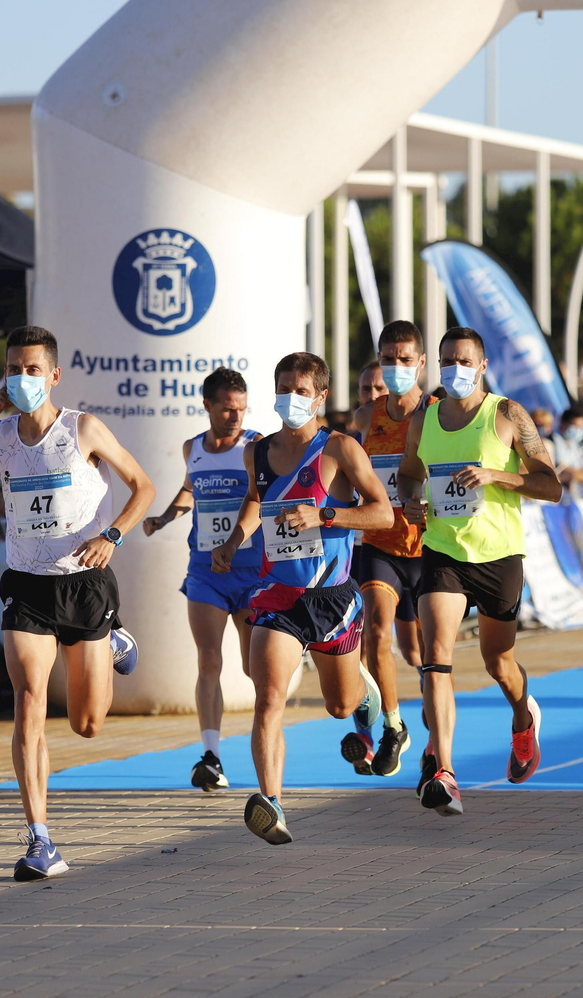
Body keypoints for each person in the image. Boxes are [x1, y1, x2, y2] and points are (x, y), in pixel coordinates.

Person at [0, 325, 156, 881]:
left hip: (85, 583)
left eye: (32, 370)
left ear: (53, 375)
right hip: (26, 584)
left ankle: (114, 636)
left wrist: (113, 536)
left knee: (87, 724)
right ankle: (40, 838)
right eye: (13, 369)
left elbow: (143, 487)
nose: (21, 379)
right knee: (29, 700)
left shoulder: (84, 429)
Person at [210, 352, 394, 844]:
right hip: (277, 597)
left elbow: (383, 515)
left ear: (321, 397)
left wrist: (326, 518)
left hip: (332, 599)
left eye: (300, 389)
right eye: (283, 387)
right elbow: (257, 499)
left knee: (338, 706)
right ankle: (271, 802)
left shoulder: (339, 448)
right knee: (268, 698)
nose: (290, 397)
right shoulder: (259, 451)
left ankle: (363, 691)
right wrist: (232, 541)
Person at [396, 326, 563, 817]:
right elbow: (409, 471)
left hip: (499, 556)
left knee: (498, 663)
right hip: (444, 552)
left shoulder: (507, 415)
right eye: (447, 361)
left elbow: (551, 486)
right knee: (436, 656)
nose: (454, 370)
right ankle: (445, 771)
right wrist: (409, 500)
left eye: (464, 361)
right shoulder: (423, 419)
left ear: (483, 366)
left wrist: (497, 476)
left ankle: (522, 715)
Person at [143, 367, 261, 793]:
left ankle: (268, 740)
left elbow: (259, 498)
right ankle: (211, 756)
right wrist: (165, 516)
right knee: (209, 660)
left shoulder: (256, 445)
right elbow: (192, 490)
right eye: (228, 409)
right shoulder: (192, 446)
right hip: (206, 571)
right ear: (208, 405)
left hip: (251, 572)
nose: (236, 417)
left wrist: (234, 541)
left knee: (254, 667)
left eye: (242, 410)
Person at [343, 320, 431, 777]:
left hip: (431, 548)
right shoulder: (365, 419)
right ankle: (392, 728)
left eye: (402, 360)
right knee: (376, 633)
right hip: (380, 543)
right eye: (386, 358)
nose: (393, 368)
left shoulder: (438, 413)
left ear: (419, 363)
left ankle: (435, 735)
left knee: (421, 651)